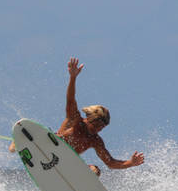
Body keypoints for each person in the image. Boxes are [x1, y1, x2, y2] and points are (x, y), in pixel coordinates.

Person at [12, 57, 144, 176]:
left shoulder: (95, 140)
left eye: (102, 128)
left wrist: (130, 163)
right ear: (90, 118)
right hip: (47, 149)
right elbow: (71, 100)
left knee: (95, 171)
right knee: (20, 144)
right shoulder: (75, 120)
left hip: (65, 165)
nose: (99, 130)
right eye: (97, 125)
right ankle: (19, 142)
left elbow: (110, 163)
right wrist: (73, 78)